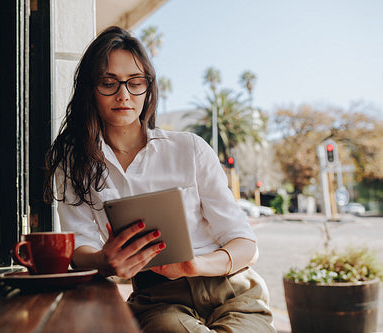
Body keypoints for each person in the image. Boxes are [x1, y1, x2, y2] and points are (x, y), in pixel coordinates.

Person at [45, 26, 275, 333]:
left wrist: (193, 266)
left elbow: (246, 244)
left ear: (147, 88)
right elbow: (80, 249)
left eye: (134, 82)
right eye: (108, 83)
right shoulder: (74, 164)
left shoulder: (189, 148)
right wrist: (105, 260)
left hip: (232, 290)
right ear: (91, 89)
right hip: (159, 302)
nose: (123, 94)